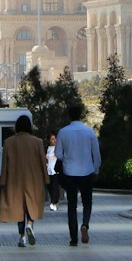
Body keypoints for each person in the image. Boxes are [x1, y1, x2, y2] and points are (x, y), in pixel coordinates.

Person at [0, 114, 48, 247]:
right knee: (32, 206)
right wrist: (46, 179)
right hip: (34, 180)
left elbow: (5, 164)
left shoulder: (8, 142)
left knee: (19, 209)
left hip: (15, 181)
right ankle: (30, 225)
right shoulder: (38, 142)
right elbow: (43, 163)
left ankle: (22, 237)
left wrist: (3, 180)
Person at [55, 105, 101, 247]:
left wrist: (68, 157)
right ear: (81, 115)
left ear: (69, 115)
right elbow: (97, 154)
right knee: (87, 202)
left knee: (72, 205)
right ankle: (85, 224)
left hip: (69, 173)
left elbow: (58, 154)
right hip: (87, 171)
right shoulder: (89, 132)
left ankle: (73, 238)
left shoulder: (63, 132)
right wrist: (96, 170)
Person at [45, 132, 61, 211]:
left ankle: (53, 203)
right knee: (50, 188)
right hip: (48, 171)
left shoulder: (58, 149)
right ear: (49, 140)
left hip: (55, 171)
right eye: (52, 139)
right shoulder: (46, 149)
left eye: (55, 138)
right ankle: (54, 202)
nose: (54, 140)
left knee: (55, 188)